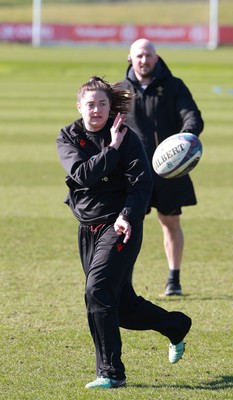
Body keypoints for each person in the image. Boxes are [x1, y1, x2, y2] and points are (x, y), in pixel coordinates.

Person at [56, 76, 192, 389]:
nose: (96, 110)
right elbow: (83, 175)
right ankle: (176, 324)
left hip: (121, 227)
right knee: (123, 308)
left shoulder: (128, 137)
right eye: (90, 104)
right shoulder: (68, 136)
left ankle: (111, 373)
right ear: (79, 107)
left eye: (102, 104)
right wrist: (112, 148)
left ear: (109, 107)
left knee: (97, 292)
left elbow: (141, 184)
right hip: (87, 228)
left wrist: (128, 216)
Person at [120, 38, 204, 296]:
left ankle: (173, 281)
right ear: (130, 59)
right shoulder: (121, 90)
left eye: (148, 55)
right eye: (139, 56)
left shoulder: (173, 86)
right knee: (128, 226)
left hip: (170, 170)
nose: (144, 60)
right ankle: (126, 283)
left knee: (170, 222)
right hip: (134, 172)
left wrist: (186, 137)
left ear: (156, 57)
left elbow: (192, 116)